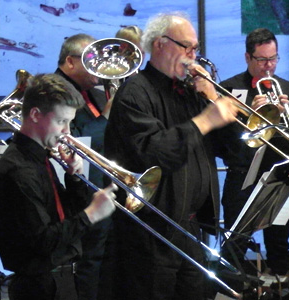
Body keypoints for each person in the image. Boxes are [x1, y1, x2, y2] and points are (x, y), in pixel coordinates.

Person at [102, 11, 238, 300]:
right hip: (152, 232)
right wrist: (205, 120)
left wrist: (212, 99)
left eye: (196, 48)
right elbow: (154, 152)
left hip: (189, 228)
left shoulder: (189, 92)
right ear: (161, 44)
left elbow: (233, 151)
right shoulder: (134, 92)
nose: (193, 56)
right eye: (186, 46)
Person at [0, 73, 118, 300]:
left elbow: (66, 216)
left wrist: (74, 178)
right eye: (61, 121)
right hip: (39, 286)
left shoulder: (40, 158)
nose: (67, 131)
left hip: (61, 280)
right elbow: (44, 241)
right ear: (36, 115)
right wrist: (91, 214)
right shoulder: (18, 169)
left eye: (69, 122)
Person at [218, 27, 289, 283]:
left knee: (279, 241)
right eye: (262, 60)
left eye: (273, 58)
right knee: (234, 241)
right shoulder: (229, 90)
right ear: (248, 58)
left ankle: (283, 287)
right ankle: (230, 289)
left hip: (279, 177)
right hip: (242, 177)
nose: (269, 66)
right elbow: (220, 140)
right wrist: (249, 115)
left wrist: (286, 111)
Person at [56, 33, 112, 300]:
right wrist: (110, 115)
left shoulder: (94, 92)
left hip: (99, 184)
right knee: (90, 260)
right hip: (77, 190)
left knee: (103, 259)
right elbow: (76, 141)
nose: (99, 68)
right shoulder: (57, 90)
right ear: (70, 61)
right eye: (92, 61)